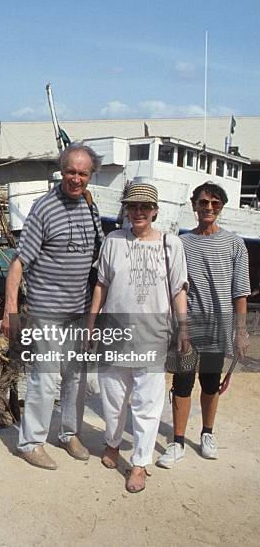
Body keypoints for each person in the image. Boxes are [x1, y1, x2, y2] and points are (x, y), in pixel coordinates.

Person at [1, 143, 103, 470]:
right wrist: (10, 310)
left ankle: (69, 433)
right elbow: (18, 264)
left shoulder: (90, 207)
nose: (76, 179)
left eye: (82, 173)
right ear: (62, 170)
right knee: (44, 378)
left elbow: (98, 258)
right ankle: (31, 443)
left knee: (76, 376)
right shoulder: (43, 209)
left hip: (79, 310)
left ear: (90, 176)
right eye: (71, 171)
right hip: (46, 311)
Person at [89, 182, 189, 493]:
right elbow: (102, 285)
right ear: (126, 210)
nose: (138, 212)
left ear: (155, 210)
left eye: (145, 206)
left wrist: (183, 328)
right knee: (113, 397)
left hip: (152, 336)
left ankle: (140, 463)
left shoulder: (171, 245)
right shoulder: (113, 241)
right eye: (133, 206)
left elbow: (178, 290)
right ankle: (113, 443)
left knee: (147, 403)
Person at [157, 182, 251, 468]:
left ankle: (207, 434)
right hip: (188, 327)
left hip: (219, 328)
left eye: (214, 203)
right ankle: (178, 441)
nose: (208, 208)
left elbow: (240, 291)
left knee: (210, 384)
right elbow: (173, 287)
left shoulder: (235, 243)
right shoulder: (182, 243)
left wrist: (241, 331)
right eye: (203, 202)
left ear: (221, 207)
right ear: (193, 205)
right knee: (182, 383)